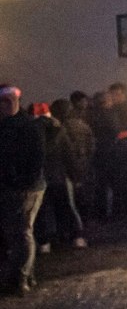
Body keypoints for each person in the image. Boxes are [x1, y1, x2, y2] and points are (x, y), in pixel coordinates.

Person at [0, 86, 46, 295]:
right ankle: (25, 273)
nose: (8, 105)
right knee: (17, 232)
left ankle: (21, 276)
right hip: (12, 185)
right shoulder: (8, 125)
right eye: (4, 101)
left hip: (26, 186)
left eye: (12, 100)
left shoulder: (28, 126)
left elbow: (37, 157)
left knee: (21, 231)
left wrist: (22, 179)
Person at [34, 101, 83, 250]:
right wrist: (75, 175)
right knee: (67, 206)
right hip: (60, 175)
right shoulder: (59, 130)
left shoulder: (32, 131)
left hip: (40, 177)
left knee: (44, 210)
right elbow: (69, 154)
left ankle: (45, 242)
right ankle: (76, 236)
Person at [62, 92, 96, 226]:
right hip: (82, 161)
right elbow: (91, 145)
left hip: (72, 163)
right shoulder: (82, 123)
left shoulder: (63, 125)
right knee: (82, 194)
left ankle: (77, 226)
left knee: (74, 196)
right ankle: (83, 223)